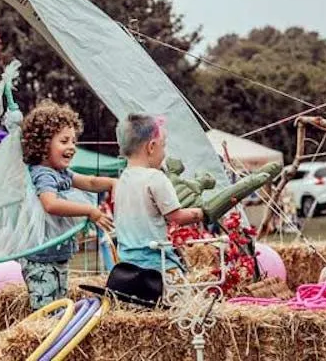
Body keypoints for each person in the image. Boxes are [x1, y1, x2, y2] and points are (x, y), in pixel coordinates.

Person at [20, 100, 115, 310]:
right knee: (46, 310)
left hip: (57, 254)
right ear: (42, 144)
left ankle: (59, 339)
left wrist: (113, 182)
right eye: (64, 141)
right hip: (40, 258)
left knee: (60, 305)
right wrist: (90, 211)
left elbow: (89, 182)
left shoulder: (61, 173)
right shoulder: (43, 174)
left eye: (73, 141)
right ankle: (48, 342)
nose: (72, 147)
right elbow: (50, 204)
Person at [114, 113, 204, 273]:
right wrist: (201, 212)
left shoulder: (122, 181)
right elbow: (176, 217)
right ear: (151, 147)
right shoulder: (155, 177)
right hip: (157, 265)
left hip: (127, 265)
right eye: (163, 146)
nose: (164, 154)